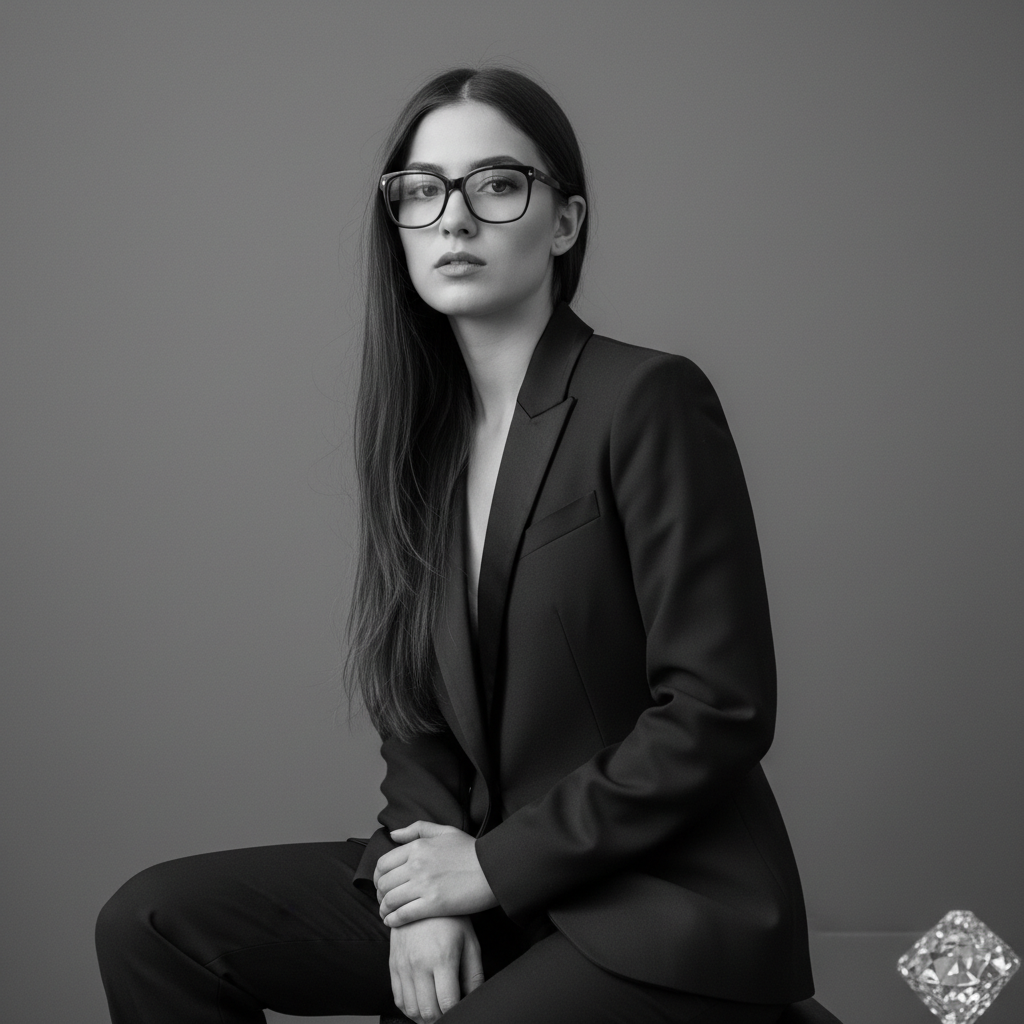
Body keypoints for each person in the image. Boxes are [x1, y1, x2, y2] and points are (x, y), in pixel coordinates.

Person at [95, 66, 814, 1024]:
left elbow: (718, 711)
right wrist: (415, 891)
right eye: (422, 191)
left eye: (498, 184)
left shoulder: (646, 400)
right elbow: (416, 713)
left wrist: (486, 869)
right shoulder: (423, 442)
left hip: (658, 902)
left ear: (563, 223)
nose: (454, 220)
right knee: (149, 923)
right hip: (483, 873)